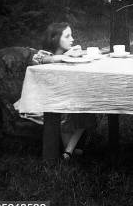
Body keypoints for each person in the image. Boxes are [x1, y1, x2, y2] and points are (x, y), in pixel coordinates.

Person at [25, 22, 97, 160]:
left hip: (65, 97)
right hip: (43, 101)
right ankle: (70, 150)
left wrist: (77, 54)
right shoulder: (42, 54)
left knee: (86, 109)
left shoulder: (68, 54)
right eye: (67, 36)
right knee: (68, 113)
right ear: (54, 38)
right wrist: (67, 56)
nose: (72, 39)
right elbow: (41, 60)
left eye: (72, 35)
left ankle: (68, 151)